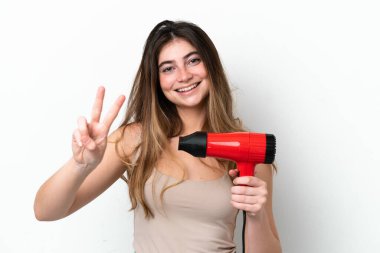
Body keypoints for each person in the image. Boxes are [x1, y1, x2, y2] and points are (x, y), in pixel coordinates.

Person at [34, 20, 282, 253]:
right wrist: (80, 165)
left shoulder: (250, 150)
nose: (183, 75)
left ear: (211, 66)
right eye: (168, 68)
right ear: (156, 80)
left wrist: (256, 213)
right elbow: (45, 211)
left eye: (193, 60)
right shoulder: (137, 139)